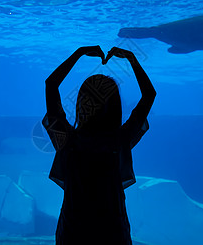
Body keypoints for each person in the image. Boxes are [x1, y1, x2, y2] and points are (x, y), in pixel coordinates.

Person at [42, 46, 156, 245]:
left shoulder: (67, 140)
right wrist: (131, 59)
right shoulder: (120, 140)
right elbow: (149, 95)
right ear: (113, 106)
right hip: (112, 231)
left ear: (80, 103)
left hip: (73, 231)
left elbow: (51, 85)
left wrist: (78, 53)